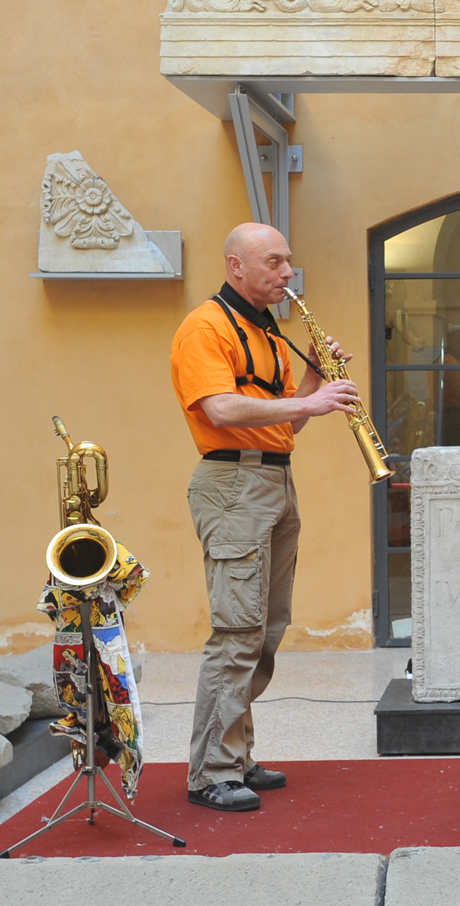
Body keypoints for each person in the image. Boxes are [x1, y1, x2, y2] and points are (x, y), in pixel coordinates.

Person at [170, 223, 362, 812]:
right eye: (274, 262)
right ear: (237, 266)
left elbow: (285, 423)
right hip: (232, 482)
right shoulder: (205, 325)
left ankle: (237, 757)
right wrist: (308, 400)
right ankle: (210, 772)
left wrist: (314, 382)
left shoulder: (269, 332)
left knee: (265, 628)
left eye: (288, 261)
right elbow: (222, 408)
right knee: (236, 630)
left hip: (274, 476)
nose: (286, 273)